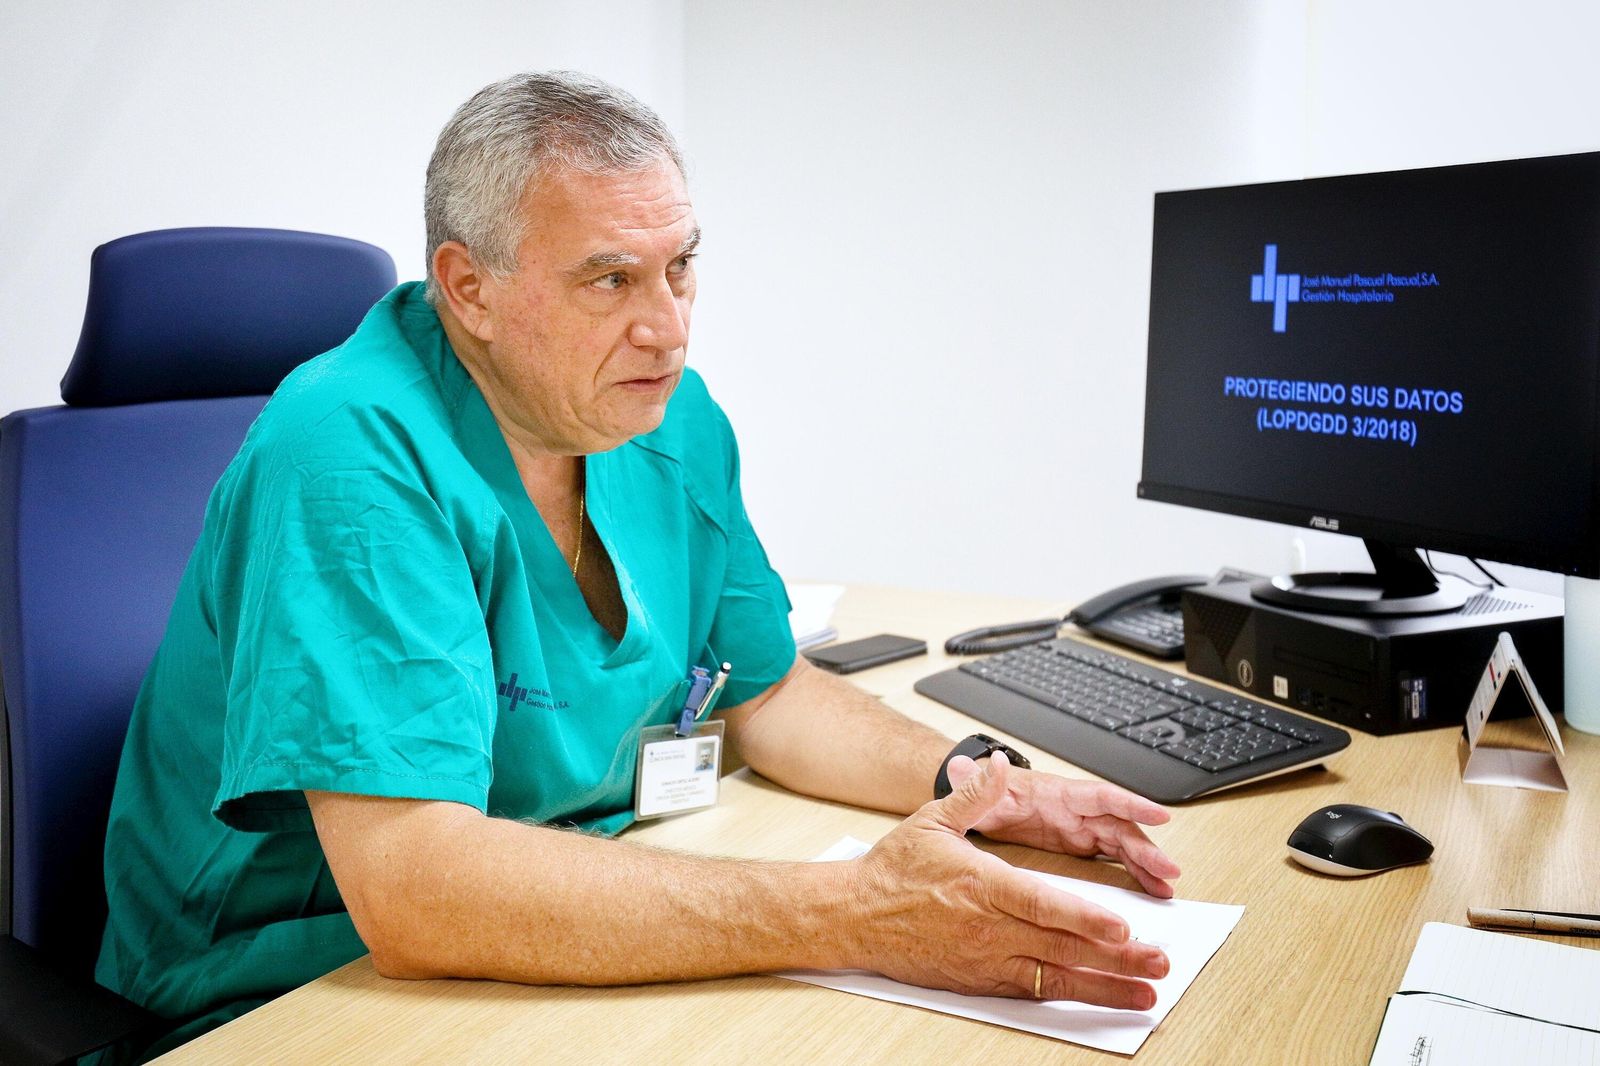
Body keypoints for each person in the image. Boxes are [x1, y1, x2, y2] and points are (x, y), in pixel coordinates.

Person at [95, 71, 1181, 1056]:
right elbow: (416, 888)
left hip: (554, 913)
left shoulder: (666, 423)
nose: (668, 330)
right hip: (291, 986)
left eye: (680, 267)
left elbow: (770, 696)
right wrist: (858, 914)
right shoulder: (348, 449)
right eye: (610, 280)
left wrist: (983, 785)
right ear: (467, 289)